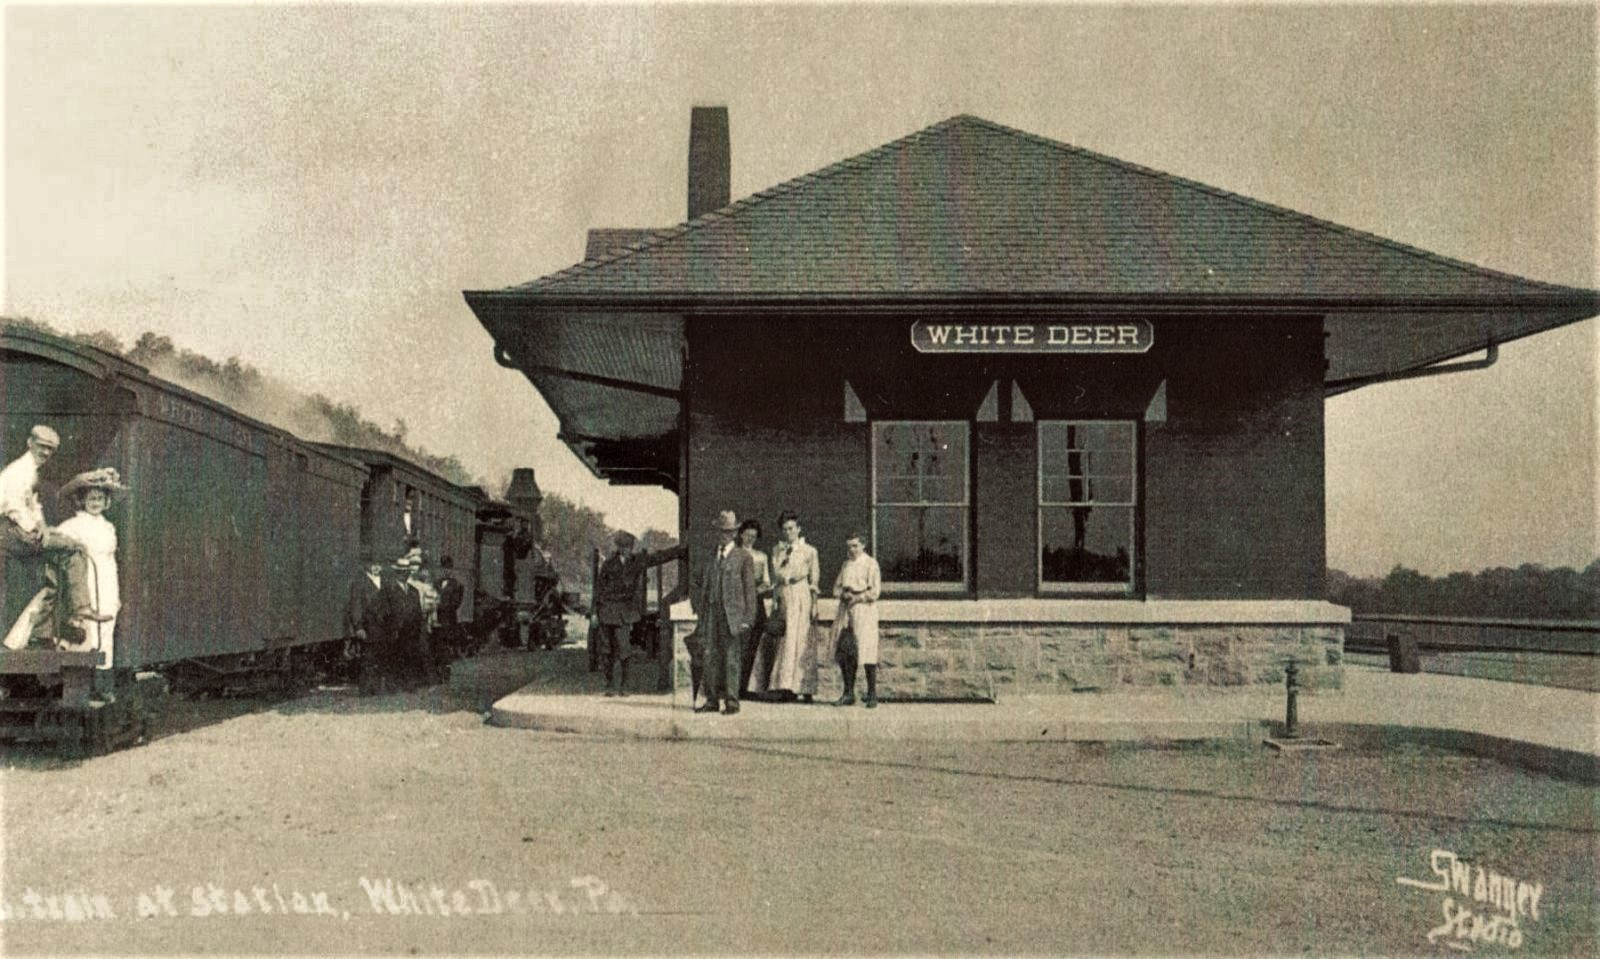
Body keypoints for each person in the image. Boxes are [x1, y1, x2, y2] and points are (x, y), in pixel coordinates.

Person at [0, 425, 103, 650]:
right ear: (30, 443)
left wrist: (44, 528)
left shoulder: (32, 470)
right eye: (42, 447)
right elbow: (12, 506)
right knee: (76, 549)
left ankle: (41, 632)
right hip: (12, 533)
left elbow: (33, 504)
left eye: (50, 449)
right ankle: (81, 607)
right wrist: (34, 531)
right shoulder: (20, 471)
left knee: (55, 561)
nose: (46, 453)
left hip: (18, 531)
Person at [52, 469, 128, 670]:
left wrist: (116, 593)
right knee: (87, 629)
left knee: (106, 627)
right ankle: (82, 680)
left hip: (108, 581)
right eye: (91, 498)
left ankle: (102, 684)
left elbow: (111, 559)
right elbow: (55, 544)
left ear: (106, 502)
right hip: (85, 581)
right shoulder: (72, 525)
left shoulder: (109, 527)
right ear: (83, 501)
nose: (96, 503)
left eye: (100, 498)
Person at [691, 510, 756, 715]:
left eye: (728, 532)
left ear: (735, 534)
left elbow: (750, 590)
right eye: (721, 531)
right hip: (711, 612)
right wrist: (700, 611)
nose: (724, 535)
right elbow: (700, 583)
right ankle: (711, 700)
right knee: (709, 655)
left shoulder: (743, 557)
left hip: (732, 615)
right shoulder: (711, 556)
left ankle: (732, 702)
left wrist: (748, 618)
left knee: (731, 659)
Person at [767, 510, 821, 703]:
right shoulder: (777, 550)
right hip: (784, 597)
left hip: (801, 596)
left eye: (791, 528)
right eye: (785, 529)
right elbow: (775, 579)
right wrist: (775, 601)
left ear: (798, 529)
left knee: (801, 640)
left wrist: (814, 605)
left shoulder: (809, 551)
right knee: (786, 641)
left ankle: (805, 688)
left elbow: (814, 580)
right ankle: (786, 687)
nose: (788, 532)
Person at [831, 532, 882, 708]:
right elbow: (836, 588)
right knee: (847, 651)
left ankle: (872, 693)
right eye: (849, 546)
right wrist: (844, 594)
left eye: (855, 546)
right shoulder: (846, 565)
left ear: (863, 546)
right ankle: (848, 693)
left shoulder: (870, 564)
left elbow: (875, 592)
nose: (851, 550)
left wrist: (859, 597)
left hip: (864, 611)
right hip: (846, 612)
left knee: (866, 650)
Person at [345, 549, 392, 694]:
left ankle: (377, 688)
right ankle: (365, 689)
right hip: (368, 627)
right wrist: (358, 626)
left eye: (379, 565)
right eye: (373, 564)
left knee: (381, 658)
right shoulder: (360, 582)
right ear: (367, 565)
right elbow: (356, 605)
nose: (376, 567)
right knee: (367, 659)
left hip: (382, 627)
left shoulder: (385, 582)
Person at [736, 519, 774, 698]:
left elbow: (767, 582)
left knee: (753, 646)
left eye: (754, 536)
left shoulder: (761, 556)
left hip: (756, 604)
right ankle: (733, 687)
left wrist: (755, 590)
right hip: (738, 604)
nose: (750, 539)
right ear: (740, 535)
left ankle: (748, 688)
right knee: (738, 646)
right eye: (747, 535)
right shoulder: (734, 554)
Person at [434, 555, 466, 658]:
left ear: (452, 569)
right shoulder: (436, 583)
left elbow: (456, 602)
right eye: (444, 568)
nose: (446, 571)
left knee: (448, 635)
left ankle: (450, 653)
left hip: (448, 615)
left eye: (448, 568)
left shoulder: (457, 585)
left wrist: (441, 606)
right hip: (437, 614)